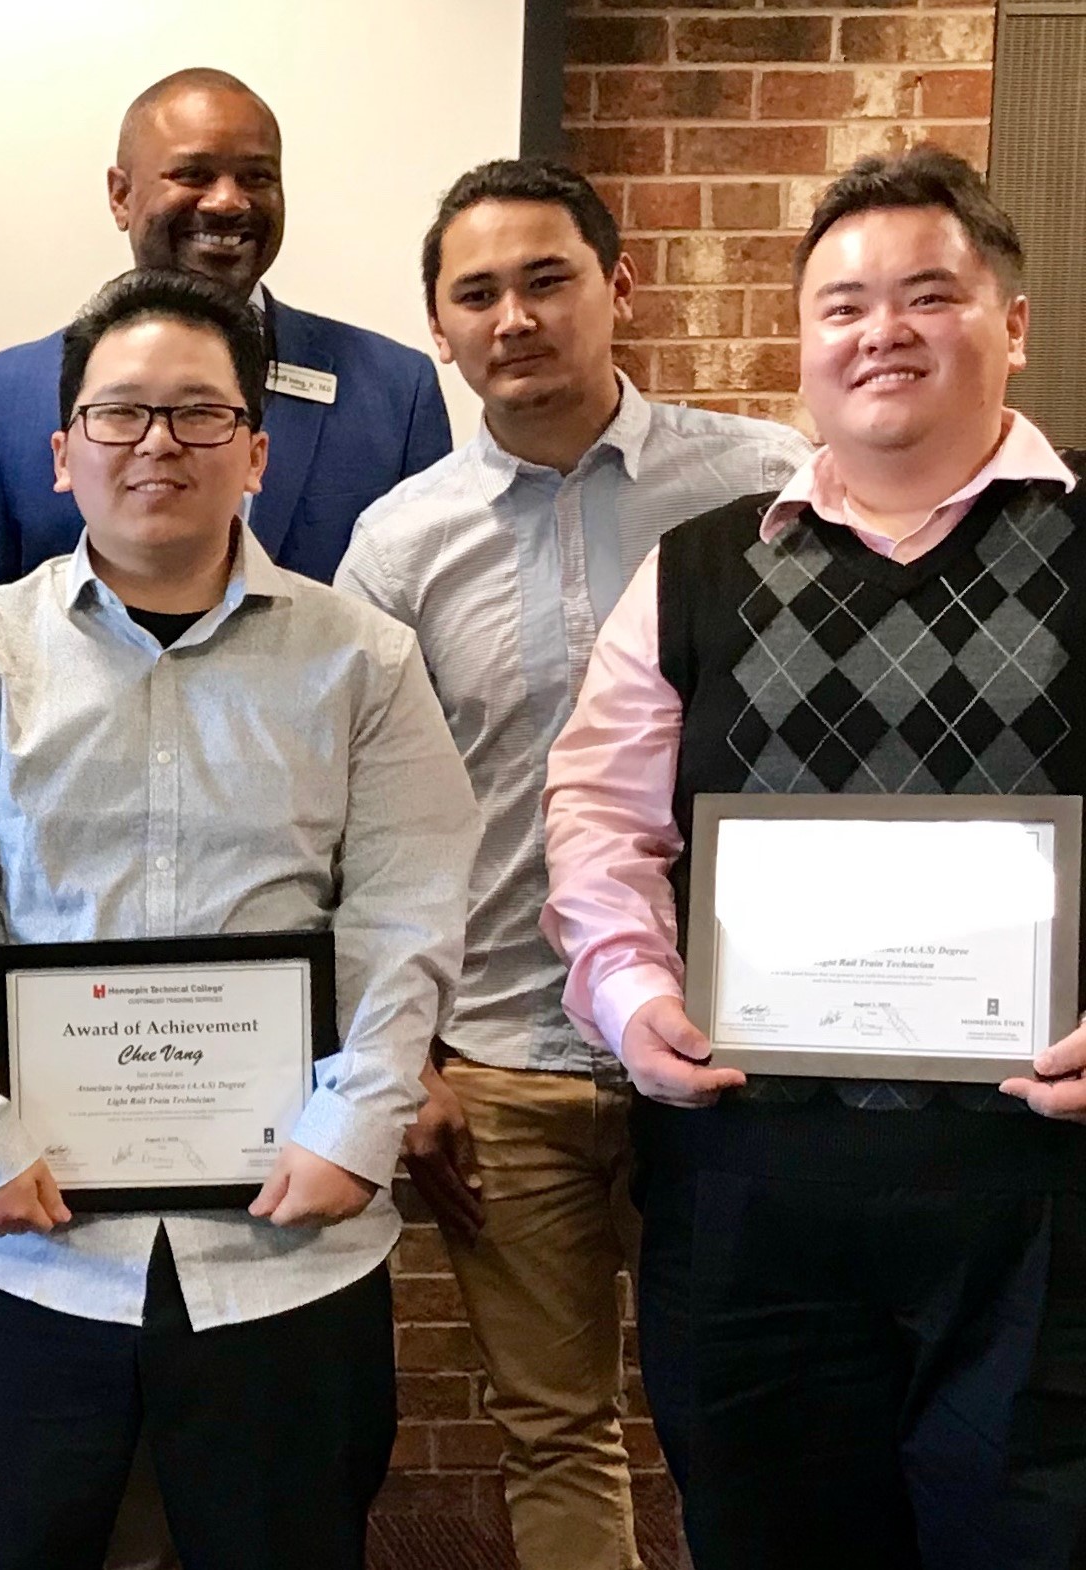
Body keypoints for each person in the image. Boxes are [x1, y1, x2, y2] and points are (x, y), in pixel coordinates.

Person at [0, 266, 473, 1570]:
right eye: (120, 413)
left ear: (255, 451)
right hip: (15, 1243)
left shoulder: (367, 660)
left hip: (287, 1243)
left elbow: (406, 915)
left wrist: (357, 1123)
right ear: (61, 449)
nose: (157, 443)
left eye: (199, 415)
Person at [543, 146, 1086, 1569]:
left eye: (928, 295)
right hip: (750, 1194)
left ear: (1011, 322)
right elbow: (600, 820)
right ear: (803, 344)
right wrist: (627, 995)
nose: (881, 331)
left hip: (1044, 1209)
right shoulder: (699, 566)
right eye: (842, 305)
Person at [333, 159, 809, 1570]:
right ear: (440, 326)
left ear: (619, 285)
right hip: (504, 1057)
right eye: (477, 292)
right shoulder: (398, 544)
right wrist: (407, 1061)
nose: (516, 316)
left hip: (736, 1047)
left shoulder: (767, 485)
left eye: (547, 278)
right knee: (556, 1425)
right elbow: (356, 823)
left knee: (750, 1409)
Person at [0, 67, 448, 615]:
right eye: (194, 174)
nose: (227, 201)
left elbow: (424, 637)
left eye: (257, 177)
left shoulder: (394, 392)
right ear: (121, 195)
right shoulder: (4, 400)